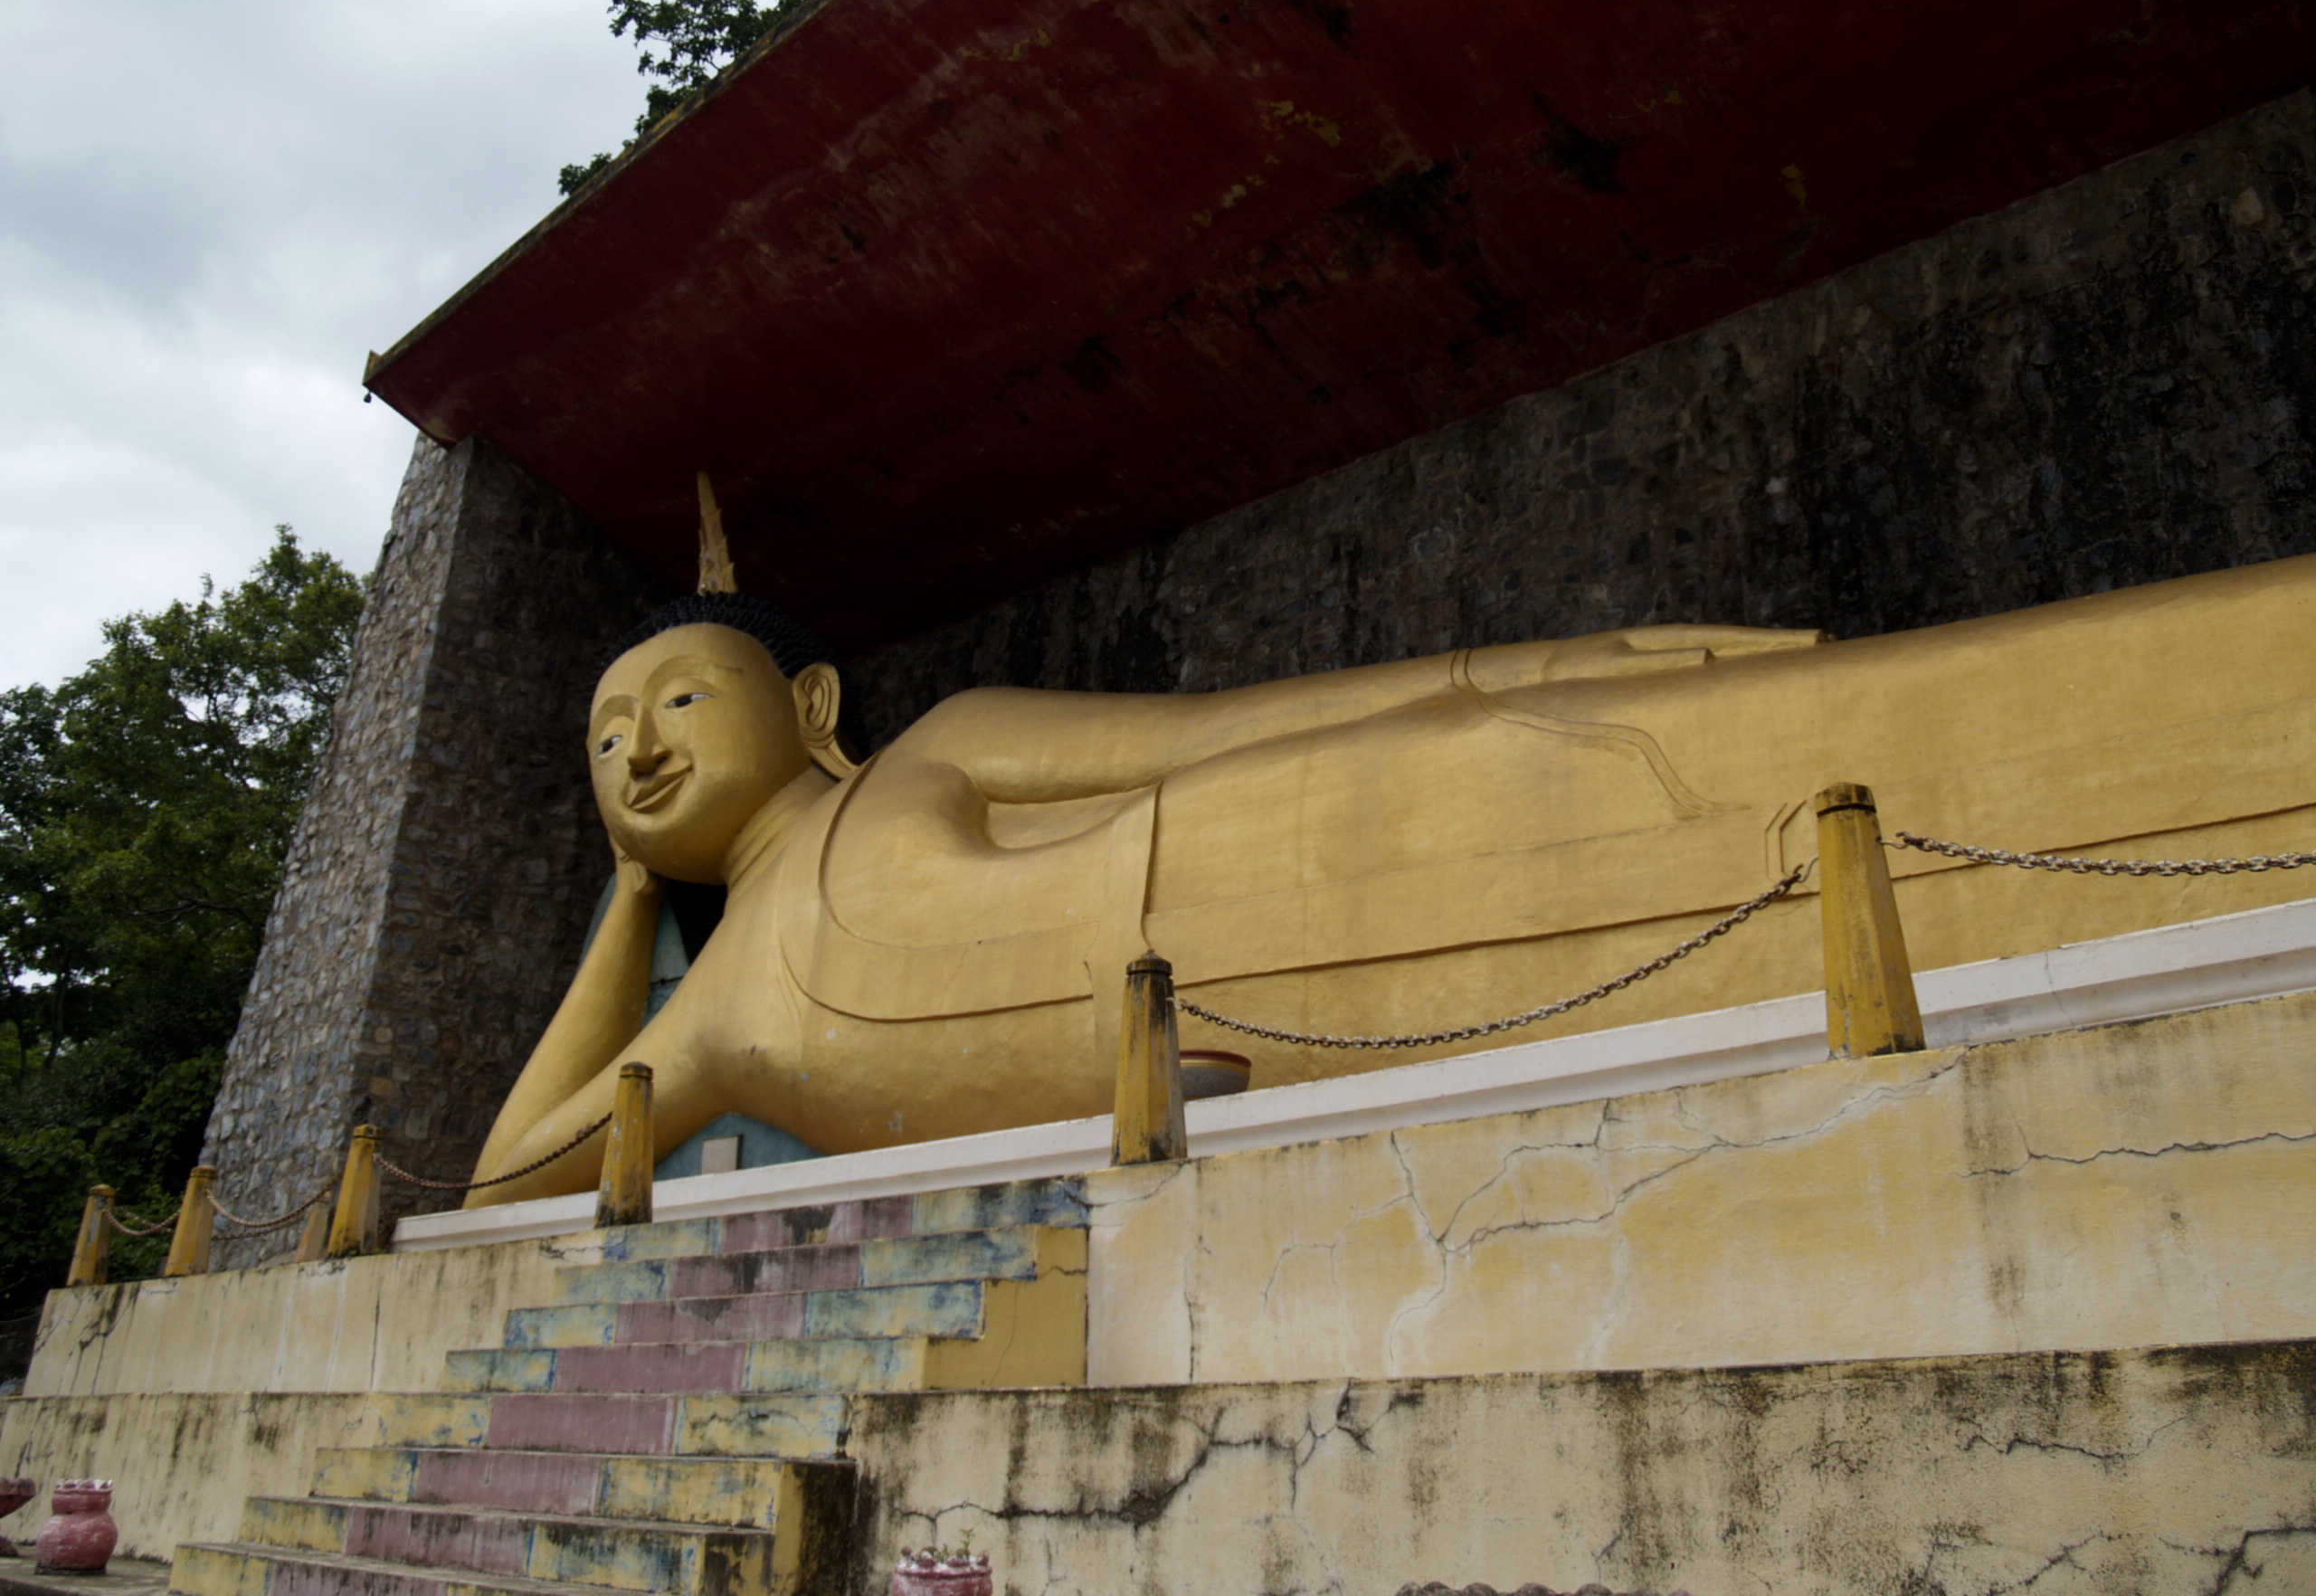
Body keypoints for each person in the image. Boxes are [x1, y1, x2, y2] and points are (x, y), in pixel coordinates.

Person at [468, 543, 2316, 1206]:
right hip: (1299, 1019)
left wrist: (1537, 666)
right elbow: (505, 1172)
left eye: (673, 698)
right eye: (600, 738)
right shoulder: (714, 1012)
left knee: (1826, 750)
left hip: (1350, 820)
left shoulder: (936, 746)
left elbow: (1238, 725)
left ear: (805, 701)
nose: (631, 745)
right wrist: (629, 909)